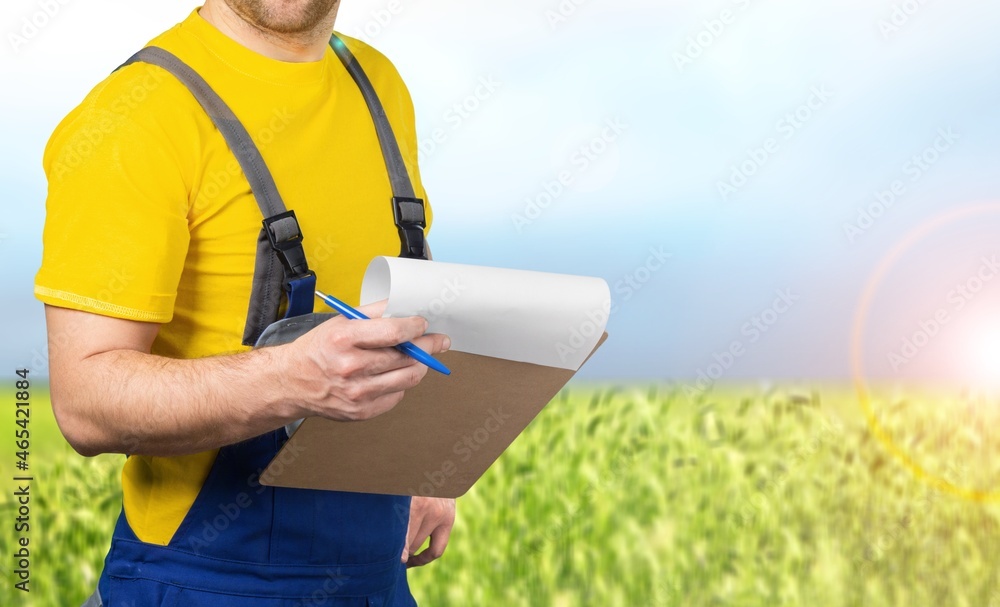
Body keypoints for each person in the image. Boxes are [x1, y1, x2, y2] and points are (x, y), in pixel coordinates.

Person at [34, 1, 456, 605]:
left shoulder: (377, 84)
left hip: (377, 579)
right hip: (204, 581)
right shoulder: (134, 117)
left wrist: (421, 462)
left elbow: (407, 301)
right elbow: (85, 405)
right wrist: (289, 378)